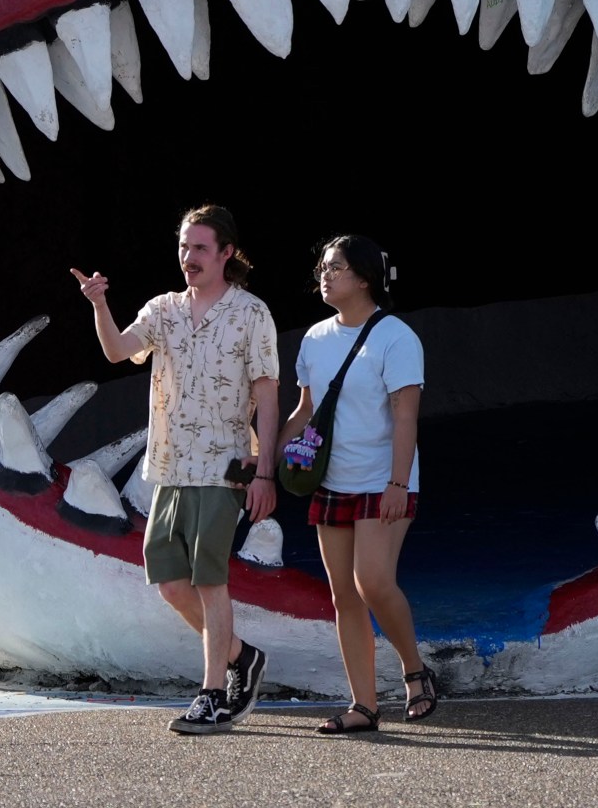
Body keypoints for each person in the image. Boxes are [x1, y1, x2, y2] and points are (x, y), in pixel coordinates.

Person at [72, 204, 280, 735]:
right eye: (184, 247)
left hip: (222, 465)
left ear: (226, 253)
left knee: (210, 580)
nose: (189, 257)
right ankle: (240, 657)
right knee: (169, 581)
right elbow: (119, 350)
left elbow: (267, 394)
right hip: (168, 466)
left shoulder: (251, 313)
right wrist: (100, 305)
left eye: (200, 248)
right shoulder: (163, 309)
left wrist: (264, 471)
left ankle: (212, 693)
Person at [281, 234, 435, 733]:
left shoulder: (396, 337)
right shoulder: (315, 338)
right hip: (333, 481)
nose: (325, 276)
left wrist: (397, 483)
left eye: (337, 268)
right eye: (323, 267)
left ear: (365, 278)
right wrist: (265, 457)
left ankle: (414, 670)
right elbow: (306, 411)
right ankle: (363, 707)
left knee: (372, 582)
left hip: (383, 480)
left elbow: (405, 416)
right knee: (343, 595)